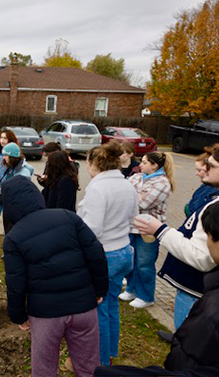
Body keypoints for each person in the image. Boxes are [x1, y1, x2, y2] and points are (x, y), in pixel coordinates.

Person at [94, 201, 219, 377]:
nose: (207, 243)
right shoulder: (212, 294)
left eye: (208, 236)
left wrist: (161, 230)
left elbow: (198, 358)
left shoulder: (213, 308)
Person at [2, 175, 108, 377]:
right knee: (89, 367)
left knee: (44, 370)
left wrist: (18, 315)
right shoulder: (68, 217)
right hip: (83, 308)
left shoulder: (14, 238)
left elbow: (16, 282)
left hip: (46, 316)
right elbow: (96, 254)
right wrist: (100, 288)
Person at [135, 146, 219, 332]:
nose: (204, 170)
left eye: (210, 166)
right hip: (192, 287)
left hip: (195, 287)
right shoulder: (211, 195)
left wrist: (160, 230)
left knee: (188, 340)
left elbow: (202, 258)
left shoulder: (215, 207)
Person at [77, 141, 139, 366]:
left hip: (105, 255)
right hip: (123, 252)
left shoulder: (98, 187)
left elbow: (92, 229)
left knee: (98, 309)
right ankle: (111, 351)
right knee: (111, 304)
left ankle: (100, 362)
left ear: (93, 163)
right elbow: (133, 218)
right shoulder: (127, 184)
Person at [119, 152, 174, 309]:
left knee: (144, 263)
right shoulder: (137, 176)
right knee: (132, 260)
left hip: (148, 230)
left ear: (154, 165)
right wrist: (136, 194)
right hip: (131, 227)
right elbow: (124, 193)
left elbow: (143, 203)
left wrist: (134, 194)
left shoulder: (163, 182)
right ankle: (131, 288)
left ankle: (146, 296)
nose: (140, 165)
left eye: (144, 162)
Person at [0, 142, 35, 234]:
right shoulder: (12, 168)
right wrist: (0, 192)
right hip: (9, 205)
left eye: (5, 155)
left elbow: (19, 191)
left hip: (17, 208)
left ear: (11, 157)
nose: (3, 158)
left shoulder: (23, 173)